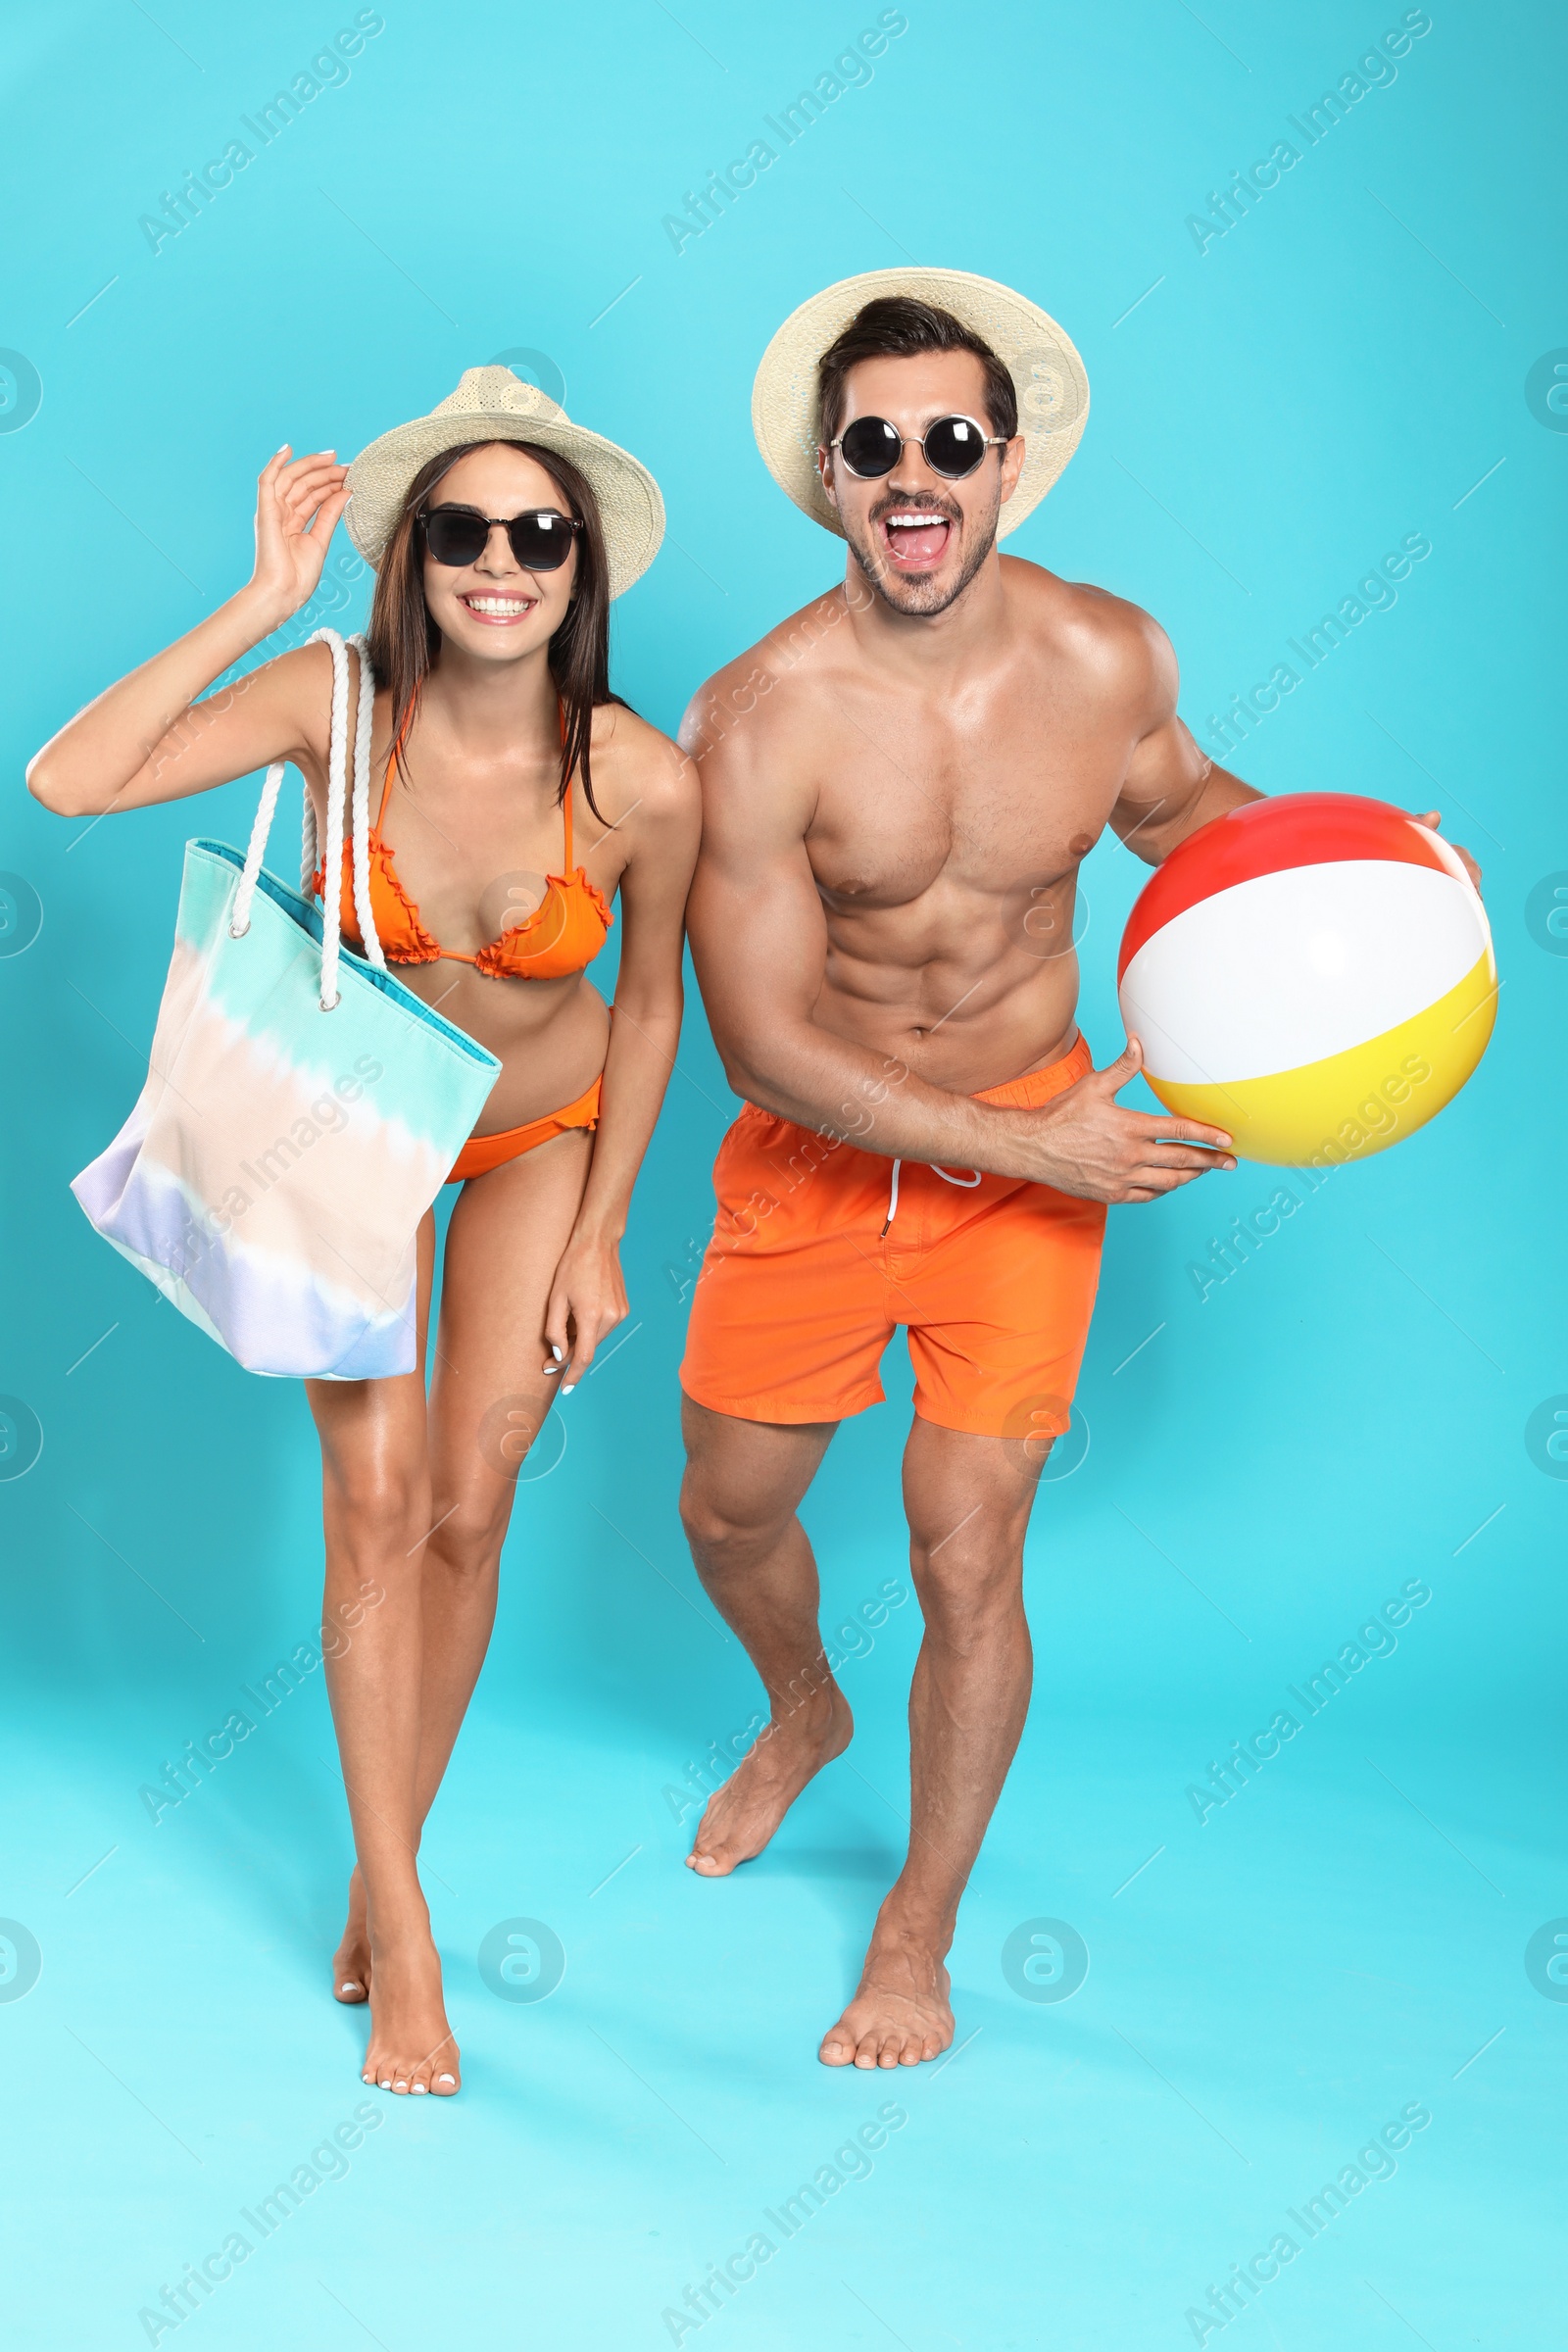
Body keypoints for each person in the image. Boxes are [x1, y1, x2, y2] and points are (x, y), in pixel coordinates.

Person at [675, 270, 1476, 2071]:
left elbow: (1195, 820)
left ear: (1004, 460)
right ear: (827, 470)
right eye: (871, 443)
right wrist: (1032, 1143)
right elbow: (766, 1046)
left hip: (1034, 1174)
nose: (912, 475)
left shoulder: (1108, 656)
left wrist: (1373, 877)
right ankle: (804, 1709)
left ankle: (915, 1927)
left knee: (970, 1563)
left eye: (947, 439)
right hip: (824, 1165)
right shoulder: (758, 717)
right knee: (726, 1510)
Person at [29, 367, 700, 2097]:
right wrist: (263, 599)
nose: (500, 562)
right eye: (462, 531)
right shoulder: (338, 702)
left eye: (536, 533)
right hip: (351, 1143)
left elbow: (642, 1016)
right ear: (410, 556)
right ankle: (401, 1918)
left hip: (538, 1142)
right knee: (377, 1499)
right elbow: (68, 779)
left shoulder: (640, 778)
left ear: (581, 566)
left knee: (470, 1515)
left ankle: (375, 1847)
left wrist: (604, 1231)